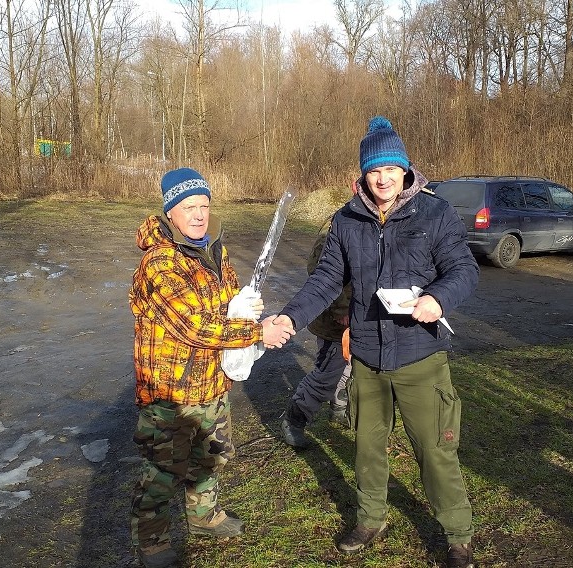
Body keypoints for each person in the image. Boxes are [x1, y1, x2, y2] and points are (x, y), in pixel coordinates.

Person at [274, 116, 479, 568]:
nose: (383, 178)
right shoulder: (346, 219)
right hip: (366, 355)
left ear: (405, 169)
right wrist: (291, 316)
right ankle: (371, 517)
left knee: (435, 450)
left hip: (419, 355)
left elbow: (464, 270)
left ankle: (458, 535)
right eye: (374, 170)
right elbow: (328, 278)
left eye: (391, 168)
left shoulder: (434, 212)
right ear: (363, 174)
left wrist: (438, 299)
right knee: (367, 446)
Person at [128, 167, 294, 568]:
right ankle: (151, 542)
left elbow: (230, 304)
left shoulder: (214, 249)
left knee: (212, 455)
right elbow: (194, 326)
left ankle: (204, 516)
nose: (199, 215)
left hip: (211, 381)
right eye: (189, 207)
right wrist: (255, 334)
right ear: (171, 212)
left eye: (204, 205)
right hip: (172, 391)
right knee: (165, 470)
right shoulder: (159, 264)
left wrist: (254, 313)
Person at [280, 209, 353, 449]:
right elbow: (319, 270)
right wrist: (341, 309)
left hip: (361, 316)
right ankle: (294, 419)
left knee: (351, 368)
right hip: (335, 319)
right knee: (327, 374)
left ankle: (340, 407)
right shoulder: (339, 223)